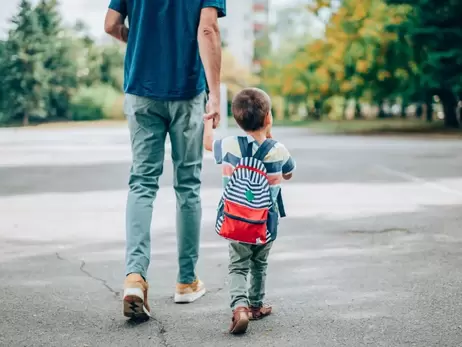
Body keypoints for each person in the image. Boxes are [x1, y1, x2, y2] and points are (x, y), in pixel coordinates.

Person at [104, 0, 226, 319]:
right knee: (187, 185)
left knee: (142, 183)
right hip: (187, 92)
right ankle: (186, 282)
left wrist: (144, 41)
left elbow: (111, 24)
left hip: (141, 90)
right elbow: (208, 28)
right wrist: (215, 95)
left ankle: (134, 277)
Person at [203, 88, 296, 334]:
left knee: (238, 265)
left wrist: (208, 122)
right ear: (268, 119)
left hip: (235, 221)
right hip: (265, 223)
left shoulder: (229, 145)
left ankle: (239, 308)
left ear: (237, 120)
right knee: (259, 263)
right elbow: (288, 173)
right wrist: (270, 136)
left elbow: (207, 144)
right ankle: (256, 305)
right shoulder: (279, 150)